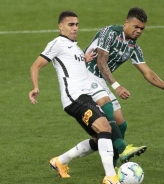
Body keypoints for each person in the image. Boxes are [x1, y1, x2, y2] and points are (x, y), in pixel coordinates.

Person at [29, 11, 124, 184]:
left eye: (77, 24)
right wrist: (35, 87)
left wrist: (84, 59)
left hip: (83, 97)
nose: (75, 28)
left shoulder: (75, 47)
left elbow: (73, 65)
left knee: (99, 139)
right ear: (61, 26)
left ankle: (60, 161)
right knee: (104, 126)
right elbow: (36, 65)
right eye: (71, 24)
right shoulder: (57, 43)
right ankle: (111, 177)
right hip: (75, 97)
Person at [84, 7, 164, 163]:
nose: (139, 31)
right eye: (136, 26)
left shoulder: (133, 48)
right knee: (107, 107)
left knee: (120, 123)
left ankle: (113, 163)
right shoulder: (110, 33)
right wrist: (117, 86)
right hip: (85, 74)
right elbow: (101, 62)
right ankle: (122, 149)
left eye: (142, 28)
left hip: (100, 80)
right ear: (126, 23)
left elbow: (147, 72)